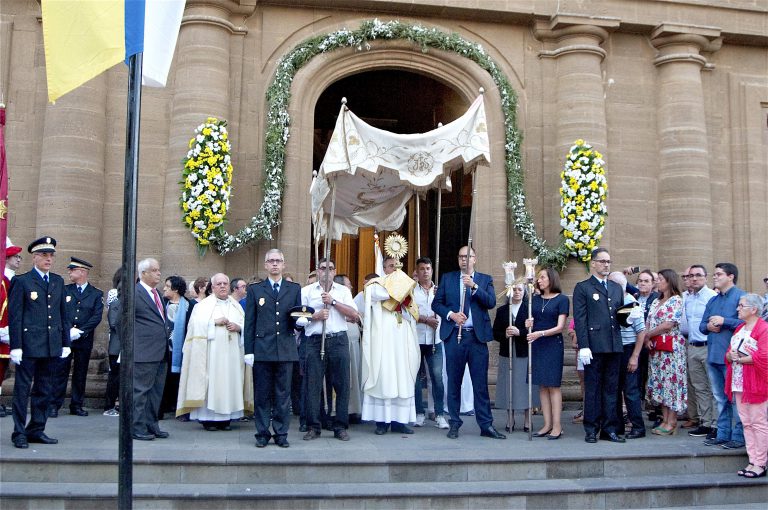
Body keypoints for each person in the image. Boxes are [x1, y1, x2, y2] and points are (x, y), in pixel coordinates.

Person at [432, 246, 505, 440]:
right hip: (455, 336)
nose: (465, 260)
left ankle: (486, 425)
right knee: (454, 382)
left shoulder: (484, 279)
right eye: (461, 256)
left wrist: (474, 287)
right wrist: (451, 315)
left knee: (480, 383)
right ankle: (455, 423)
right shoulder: (448, 278)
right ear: (458, 260)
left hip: (476, 337)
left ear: (475, 259)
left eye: (468, 256)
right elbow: (436, 304)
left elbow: (490, 302)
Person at [9, 237, 71, 449]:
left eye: (51, 255)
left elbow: (63, 314)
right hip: (28, 345)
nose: (48, 259)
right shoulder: (22, 281)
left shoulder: (57, 281)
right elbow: (15, 316)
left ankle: (37, 428)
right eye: (44, 255)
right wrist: (15, 345)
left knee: (44, 390)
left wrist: (65, 342)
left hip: (51, 344)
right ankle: (19, 432)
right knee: (22, 390)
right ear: (34, 257)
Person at [177, 273, 252, 431]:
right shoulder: (202, 306)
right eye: (219, 284)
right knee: (212, 383)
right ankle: (208, 419)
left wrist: (239, 328)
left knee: (230, 382)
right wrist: (213, 323)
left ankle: (227, 419)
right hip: (211, 355)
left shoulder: (236, 306)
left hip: (232, 355)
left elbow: (246, 325)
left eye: (225, 283)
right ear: (213, 287)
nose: (223, 286)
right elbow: (194, 327)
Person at [243, 250, 302, 447]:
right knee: (262, 395)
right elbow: (249, 322)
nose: (275, 264)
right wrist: (248, 351)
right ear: (265, 265)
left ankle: (281, 433)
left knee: (283, 396)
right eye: (271, 261)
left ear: (284, 265)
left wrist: (301, 323)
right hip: (262, 349)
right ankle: (261, 433)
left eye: (278, 261)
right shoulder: (255, 290)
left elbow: (296, 318)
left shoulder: (293, 289)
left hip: (285, 349)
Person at [301, 258, 358, 441]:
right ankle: (313, 426)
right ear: (317, 271)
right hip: (315, 340)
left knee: (341, 384)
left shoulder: (343, 291)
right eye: (323, 268)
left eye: (331, 268)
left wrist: (333, 302)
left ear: (335, 272)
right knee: (313, 385)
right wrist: (314, 316)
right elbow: (298, 319)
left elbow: (354, 315)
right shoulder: (306, 291)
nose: (327, 272)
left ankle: (340, 426)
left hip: (338, 339)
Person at [361, 259, 421, 435]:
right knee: (385, 377)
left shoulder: (406, 286)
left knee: (402, 376)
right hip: (384, 339)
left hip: (402, 338)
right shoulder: (376, 285)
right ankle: (382, 422)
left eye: (398, 266)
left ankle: (399, 421)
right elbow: (376, 294)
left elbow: (412, 310)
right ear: (384, 269)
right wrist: (397, 288)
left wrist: (403, 288)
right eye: (391, 266)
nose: (395, 269)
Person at [572, 247, 625, 443]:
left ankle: (609, 428)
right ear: (593, 263)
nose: (606, 265)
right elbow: (580, 319)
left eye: (608, 262)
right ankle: (591, 429)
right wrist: (584, 345)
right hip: (594, 346)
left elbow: (618, 317)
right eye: (602, 261)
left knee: (611, 389)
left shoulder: (615, 288)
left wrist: (630, 316)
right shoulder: (583, 287)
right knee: (593, 389)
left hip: (613, 345)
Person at [49, 257, 103, 417]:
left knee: (81, 372)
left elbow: (96, 316)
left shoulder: (95, 293)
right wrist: (68, 331)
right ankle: (54, 404)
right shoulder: (65, 290)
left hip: (83, 339)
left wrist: (81, 331)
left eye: (72, 270)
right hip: (66, 338)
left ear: (82, 272)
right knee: (60, 371)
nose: (69, 272)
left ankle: (77, 404)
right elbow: (58, 312)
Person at [700, 262, 746, 449]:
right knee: (720, 397)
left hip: (733, 357)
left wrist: (724, 321)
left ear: (730, 276)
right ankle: (722, 433)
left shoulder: (741, 297)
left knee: (735, 399)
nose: (715, 277)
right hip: (714, 355)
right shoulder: (713, 300)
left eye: (719, 274)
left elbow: (748, 323)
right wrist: (709, 326)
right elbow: (702, 326)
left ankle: (738, 436)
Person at [725, 294, 768, 479]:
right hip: (739, 381)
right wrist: (731, 356)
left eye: (741, 306)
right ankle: (752, 460)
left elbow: (765, 357)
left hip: (756, 382)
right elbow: (728, 352)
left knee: (758, 422)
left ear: (754, 309)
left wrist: (741, 359)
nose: (737, 309)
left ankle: (760, 462)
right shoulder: (740, 328)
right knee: (746, 422)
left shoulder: (764, 329)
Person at [523, 268, 569, 439]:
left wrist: (539, 333)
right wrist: (529, 324)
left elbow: (559, 327)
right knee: (542, 385)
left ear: (551, 279)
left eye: (542, 277)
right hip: (537, 344)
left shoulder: (562, 300)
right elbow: (531, 320)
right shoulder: (535, 299)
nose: (539, 280)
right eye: (538, 278)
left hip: (552, 344)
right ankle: (547, 424)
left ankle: (557, 425)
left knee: (553, 385)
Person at [132, 258, 170, 441]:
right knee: (140, 392)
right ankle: (136, 426)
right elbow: (121, 322)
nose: (158, 273)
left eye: (158, 270)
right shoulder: (135, 292)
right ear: (143, 273)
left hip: (160, 352)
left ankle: (151, 424)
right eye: (154, 270)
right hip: (143, 352)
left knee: (155, 393)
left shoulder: (156, 294)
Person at [644, 269, 687, 435]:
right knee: (660, 382)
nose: (657, 282)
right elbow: (649, 321)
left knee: (672, 383)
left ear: (669, 281)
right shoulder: (656, 301)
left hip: (671, 349)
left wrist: (647, 335)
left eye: (660, 279)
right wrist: (647, 339)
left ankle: (672, 421)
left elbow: (668, 324)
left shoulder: (676, 300)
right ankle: (664, 418)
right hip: (656, 349)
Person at [492, 280, 537, 432]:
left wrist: (521, 332)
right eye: (515, 289)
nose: (517, 292)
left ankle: (527, 419)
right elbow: (495, 332)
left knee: (524, 385)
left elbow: (534, 331)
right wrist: (504, 334)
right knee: (508, 385)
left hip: (524, 352)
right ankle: (510, 418)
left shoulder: (529, 310)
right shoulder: (502, 311)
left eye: (520, 289)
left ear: (524, 292)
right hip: (507, 352)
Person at [608, 271, 646, 439]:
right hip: (614, 350)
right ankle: (617, 426)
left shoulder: (632, 303)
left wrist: (634, 357)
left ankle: (638, 426)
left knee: (630, 390)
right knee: (614, 389)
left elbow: (641, 332)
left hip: (628, 349)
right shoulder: (613, 301)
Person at [412, 257, 449, 429]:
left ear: (432, 271)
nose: (425, 271)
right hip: (416, 339)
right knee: (416, 379)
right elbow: (407, 313)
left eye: (428, 268)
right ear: (417, 272)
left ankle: (440, 414)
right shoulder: (411, 291)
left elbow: (448, 311)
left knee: (437, 378)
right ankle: (419, 413)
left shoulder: (440, 291)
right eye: (422, 269)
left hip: (436, 340)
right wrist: (426, 319)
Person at [684, 265, 717, 439]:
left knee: (713, 388)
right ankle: (704, 422)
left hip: (708, 346)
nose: (694, 279)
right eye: (691, 276)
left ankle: (716, 424)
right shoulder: (688, 298)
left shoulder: (712, 296)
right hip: (692, 346)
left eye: (698, 275)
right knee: (699, 387)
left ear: (706, 277)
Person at [161, 275, 195, 420]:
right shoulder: (162, 304)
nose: (164, 288)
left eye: (167, 286)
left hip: (181, 349)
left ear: (175, 289)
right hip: (163, 349)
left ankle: (180, 408)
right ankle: (162, 407)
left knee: (180, 379)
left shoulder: (189, 306)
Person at [335, 273, 363, 421]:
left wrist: (355, 317)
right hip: (342, 341)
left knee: (354, 376)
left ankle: (353, 409)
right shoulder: (336, 297)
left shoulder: (349, 298)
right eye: (348, 284)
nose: (351, 287)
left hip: (353, 341)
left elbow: (356, 316)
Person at [0, 240, 22, 418]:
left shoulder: (13, 278)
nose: (19, 260)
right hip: (3, 330)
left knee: (3, 369)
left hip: (9, 331)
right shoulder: (3, 279)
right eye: (15, 256)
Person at [103, 268, 123, 416]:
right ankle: (110, 404)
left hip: (120, 341)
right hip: (117, 341)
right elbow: (114, 321)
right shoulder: (114, 295)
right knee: (114, 374)